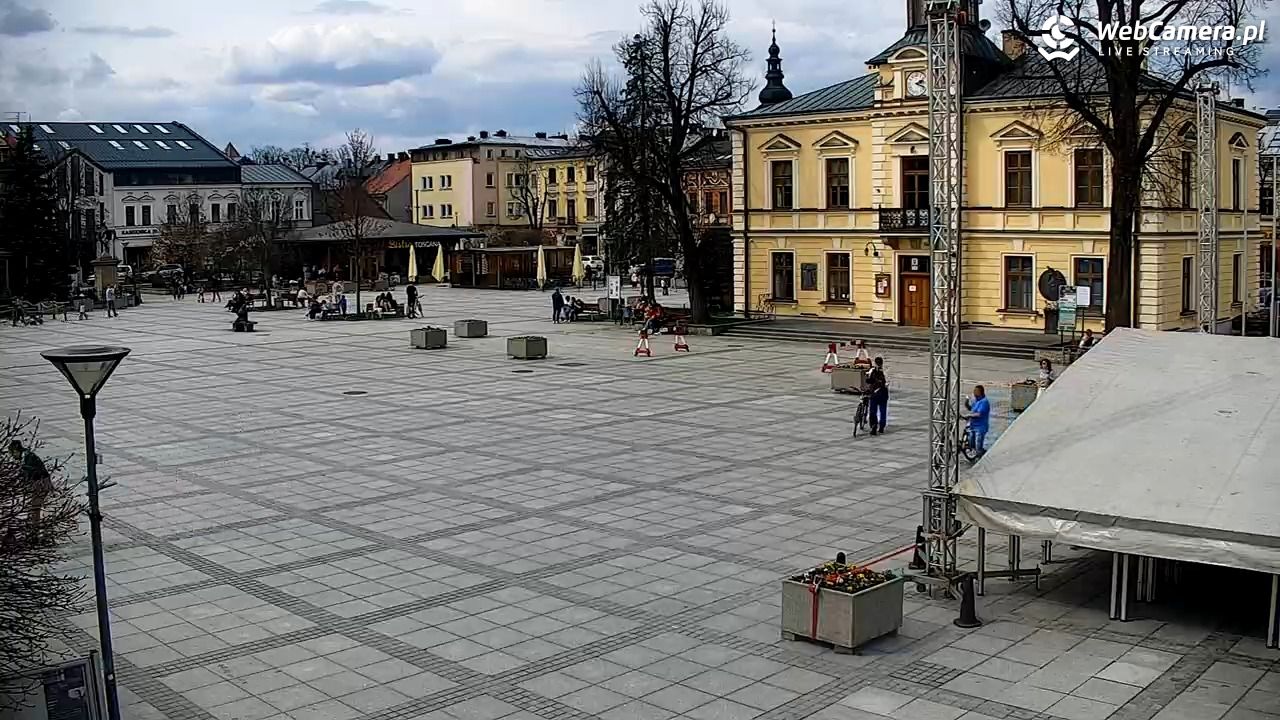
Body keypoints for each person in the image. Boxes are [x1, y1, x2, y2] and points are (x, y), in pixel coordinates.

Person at [9, 439, 52, 538]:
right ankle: (35, 529)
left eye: (12, 453)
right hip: (39, 482)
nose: (13, 456)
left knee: (35, 508)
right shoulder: (26, 455)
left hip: (40, 483)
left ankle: (35, 532)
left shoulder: (27, 457)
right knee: (34, 507)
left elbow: (27, 473)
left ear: (16, 451)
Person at [966, 385, 991, 457]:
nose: (974, 393)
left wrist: (969, 415)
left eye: (976, 391)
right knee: (971, 442)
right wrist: (966, 403)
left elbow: (978, 414)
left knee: (978, 445)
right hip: (973, 425)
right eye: (974, 391)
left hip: (980, 427)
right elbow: (971, 409)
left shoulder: (984, 402)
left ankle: (981, 456)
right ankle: (976, 454)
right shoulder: (976, 401)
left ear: (981, 392)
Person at [867, 356, 889, 436]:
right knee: (883, 411)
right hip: (883, 394)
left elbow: (868, 380)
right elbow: (887, 384)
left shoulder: (872, 370)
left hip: (874, 394)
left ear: (875, 363)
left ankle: (874, 425)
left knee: (873, 410)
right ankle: (882, 427)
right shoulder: (885, 371)